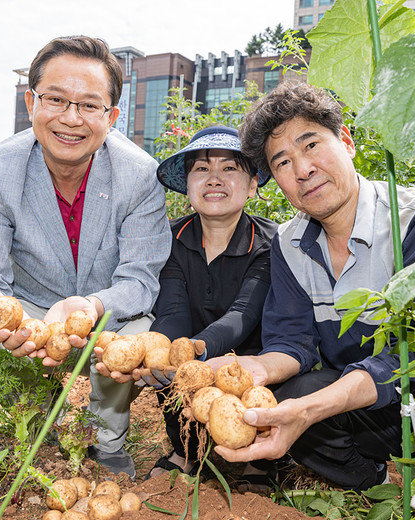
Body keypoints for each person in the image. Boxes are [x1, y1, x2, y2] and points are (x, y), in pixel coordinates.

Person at [206, 82, 415, 491]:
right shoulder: (289, 246)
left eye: (311, 146)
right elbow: (292, 343)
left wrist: (312, 409)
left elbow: (414, 356)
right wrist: (254, 369)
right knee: (294, 392)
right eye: (283, 162)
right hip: (368, 407)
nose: (302, 170)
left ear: (346, 141)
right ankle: (372, 481)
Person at [0, 35, 172, 479]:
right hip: (32, 310)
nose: (70, 119)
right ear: (31, 101)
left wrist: (90, 306)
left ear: (111, 116)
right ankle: (41, 423)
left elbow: (140, 280)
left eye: (89, 105)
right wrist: (3, 317)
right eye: (55, 99)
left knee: (140, 331)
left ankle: (108, 443)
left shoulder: (140, 175)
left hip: (105, 312)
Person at [135, 126, 277, 479]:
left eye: (229, 168)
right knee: (169, 361)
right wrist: (167, 352)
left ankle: (258, 461)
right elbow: (172, 312)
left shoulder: (271, 243)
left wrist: (198, 351)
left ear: (253, 184)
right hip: (194, 357)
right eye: (201, 169)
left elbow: (244, 313)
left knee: (254, 384)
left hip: (250, 362)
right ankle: (186, 451)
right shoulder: (170, 238)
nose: (214, 179)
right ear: (187, 185)